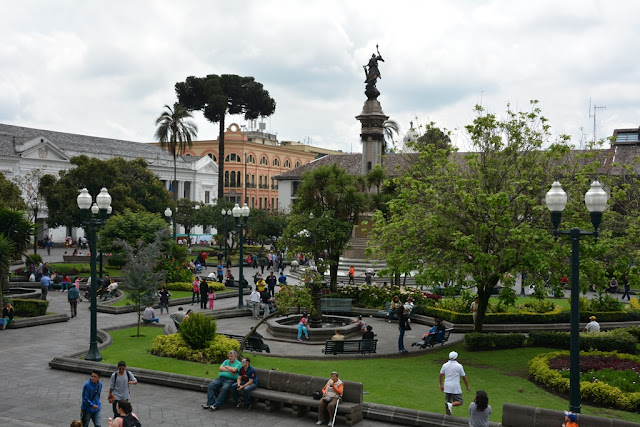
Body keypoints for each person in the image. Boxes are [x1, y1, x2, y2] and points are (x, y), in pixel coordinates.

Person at [440, 351, 470, 415]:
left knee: (447, 402)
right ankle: (451, 405)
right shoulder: (459, 366)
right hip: (455, 386)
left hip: (447, 385)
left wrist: (441, 385)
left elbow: (441, 375)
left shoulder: (445, 365)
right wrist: (467, 386)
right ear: (456, 358)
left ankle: (448, 413)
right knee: (460, 401)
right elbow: (464, 377)